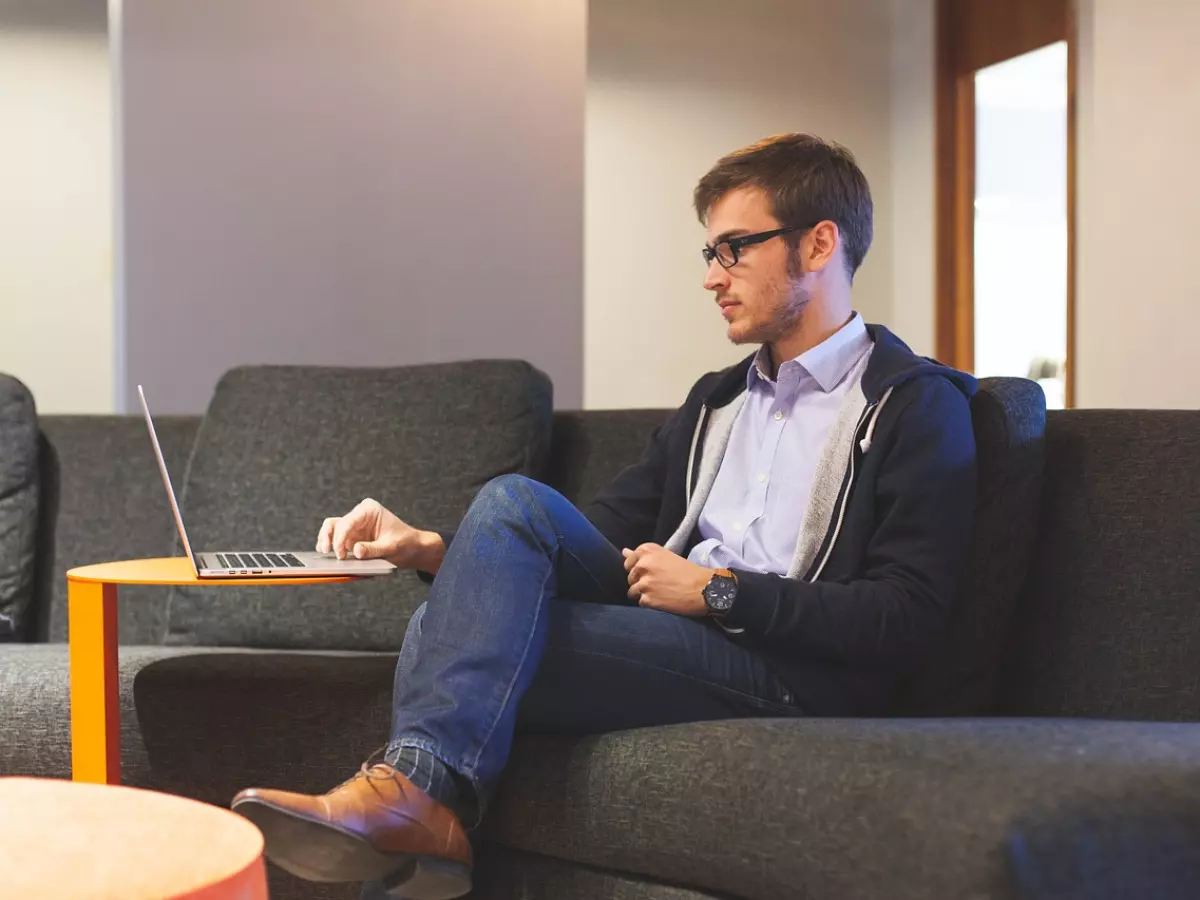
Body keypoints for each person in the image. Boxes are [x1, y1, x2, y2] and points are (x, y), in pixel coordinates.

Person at [231, 133, 978, 900]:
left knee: (446, 636)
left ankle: (415, 810)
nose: (712, 278)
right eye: (708, 253)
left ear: (819, 243)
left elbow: (908, 615)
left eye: (734, 250)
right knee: (511, 509)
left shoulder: (912, 404)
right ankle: (421, 814)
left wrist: (718, 591)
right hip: (682, 634)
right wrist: (429, 549)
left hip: (794, 670)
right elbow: (582, 531)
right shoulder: (717, 401)